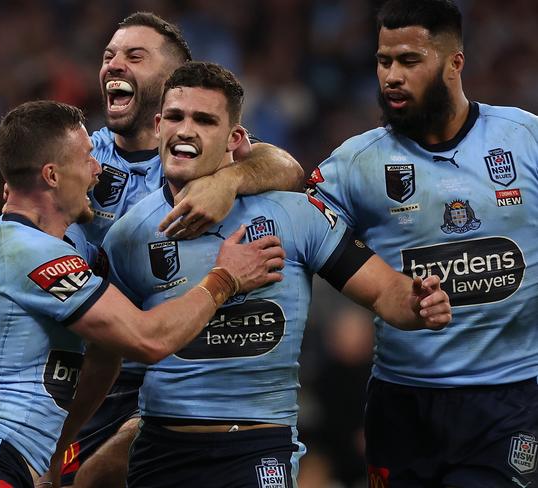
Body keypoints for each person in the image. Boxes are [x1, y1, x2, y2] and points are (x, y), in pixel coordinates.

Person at [101, 61, 451, 488]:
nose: (186, 129)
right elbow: (108, 353)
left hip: (257, 446)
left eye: (205, 120)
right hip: (161, 448)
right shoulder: (126, 237)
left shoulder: (295, 215)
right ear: (157, 126)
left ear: (235, 139)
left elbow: (383, 291)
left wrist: (417, 302)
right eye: (175, 117)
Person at [0, 100, 285, 488]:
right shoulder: (34, 253)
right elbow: (147, 339)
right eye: (87, 159)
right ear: (52, 176)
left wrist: (55, 453)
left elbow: (105, 355)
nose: (97, 170)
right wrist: (224, 278)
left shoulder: (15, 237)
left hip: (2, 459)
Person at [61, 12, 304, 488]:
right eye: (109, 55)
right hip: (94, 362)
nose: (114, 65)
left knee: (97, 476)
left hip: (171, 368)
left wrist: (231, 179)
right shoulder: (81, 158)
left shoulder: (203, 156)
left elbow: (288, 166)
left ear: (171, 83)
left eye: (135, 56)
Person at [307, 0, 538, 486]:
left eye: (409, 61)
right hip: (401, 402)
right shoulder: (357, 162)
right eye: (383, 60)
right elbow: (295, 224)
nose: (391, 75)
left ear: (454, 63)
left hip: (508, 398)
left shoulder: (525, 139)